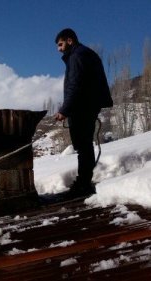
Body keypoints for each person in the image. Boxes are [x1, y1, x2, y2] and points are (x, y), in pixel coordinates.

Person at [53, 28, 113, 197]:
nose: (59, 49)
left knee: (83, 146)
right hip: (87, 105)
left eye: (60, 44)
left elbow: (75, 85)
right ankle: (83, 181)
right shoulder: (83, 54)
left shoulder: (77, 56)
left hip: (82, 107)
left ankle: (83, 184)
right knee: (84, 146)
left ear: (70, 41)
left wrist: (65, 110)